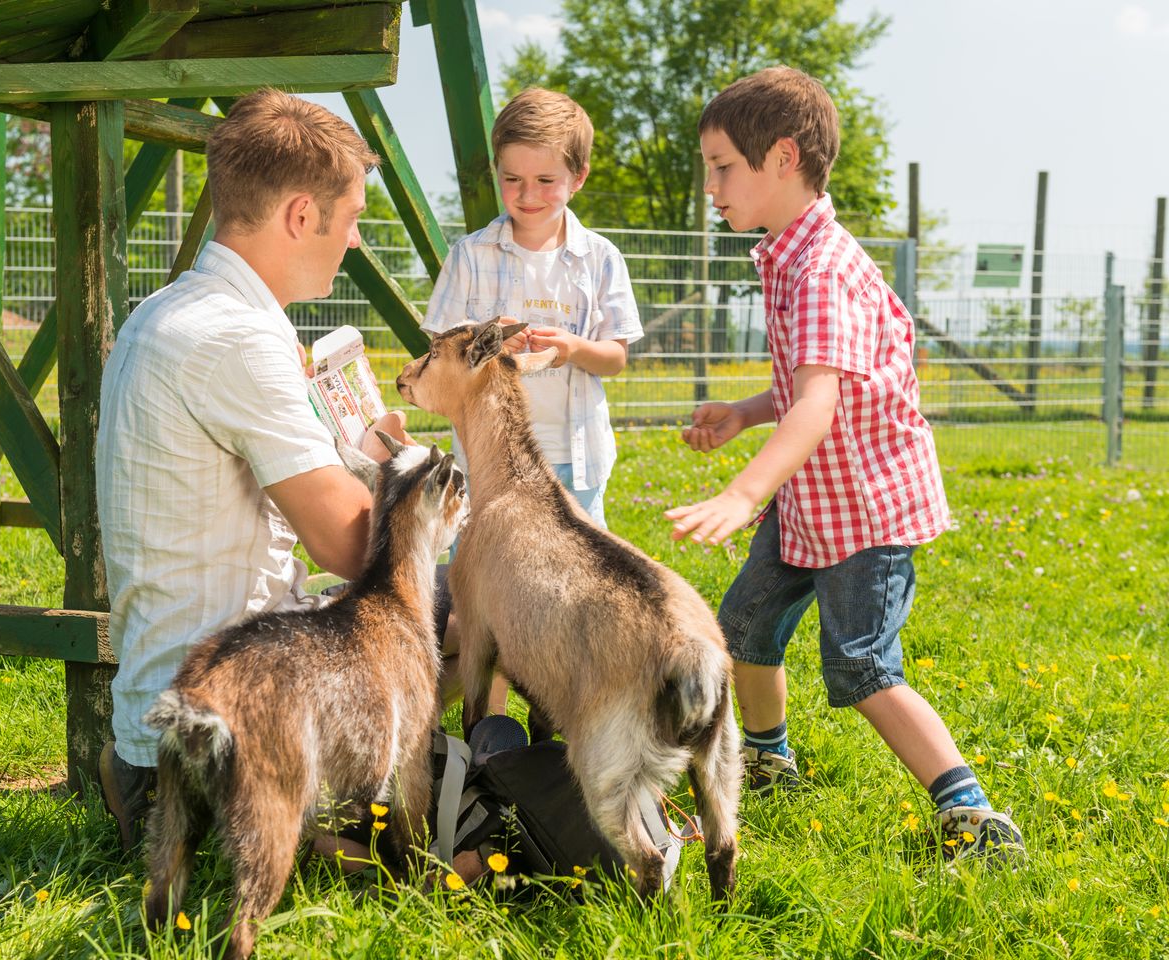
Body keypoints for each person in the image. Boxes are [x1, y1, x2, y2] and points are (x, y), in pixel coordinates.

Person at [665, 66, 1025, 864]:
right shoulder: (788, 255)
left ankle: (972, 814)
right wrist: (746, 413)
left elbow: (821, 405)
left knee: (861, 666)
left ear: (783, 158)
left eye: (723, 167)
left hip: (862, 512)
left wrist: (743, 487)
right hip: (810, 504)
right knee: (743, 632)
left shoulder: (823, 268)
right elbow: (806, 384)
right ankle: (768, 758)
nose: (712, 187)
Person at [95, 88, 405, 853]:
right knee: (459, 620)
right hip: (219, 726)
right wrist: (416, 486)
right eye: (354, 217)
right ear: (303, 216)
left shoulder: (167, 311)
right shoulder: (237, 339)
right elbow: (351, 543)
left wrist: (359, 456)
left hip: (164, 698)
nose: (356, 240)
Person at [422, 87, 643, 528]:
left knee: (578, 576)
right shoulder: (470, 254)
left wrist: (574, 348)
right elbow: (437, 347)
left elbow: (616, 358)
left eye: (545, 181)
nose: (527, 195)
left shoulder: (600, 258)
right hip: (488, 459)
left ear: (578, 177)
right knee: (487, 570)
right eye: (512, 179)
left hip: (574, 457)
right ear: (496, 172)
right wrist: (483, 335)